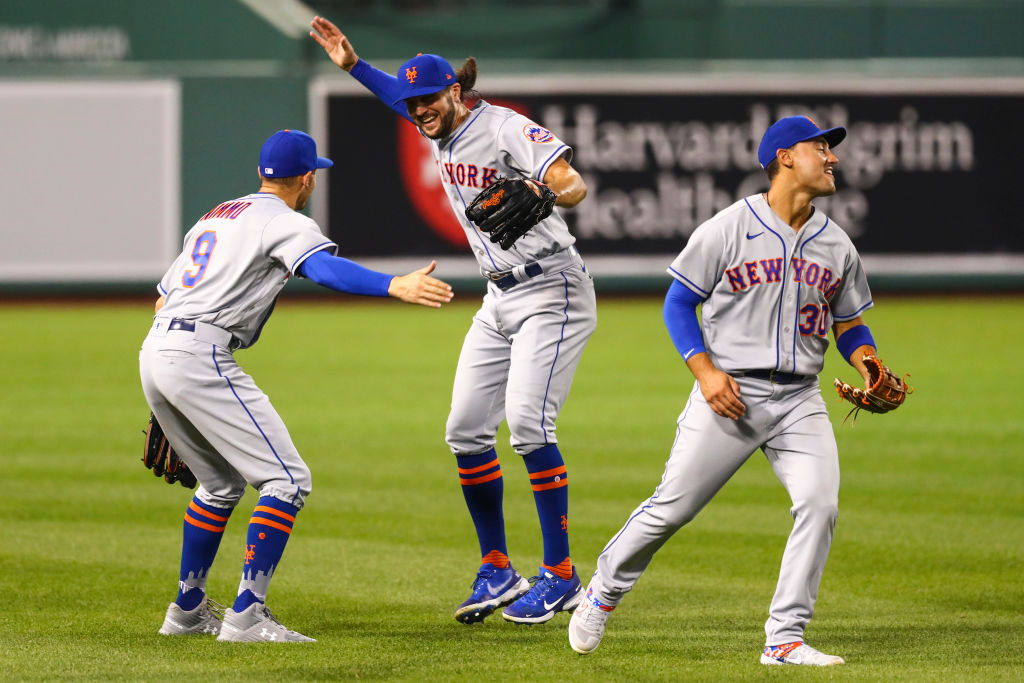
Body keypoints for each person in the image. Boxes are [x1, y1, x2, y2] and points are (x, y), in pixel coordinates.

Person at [310, 16, 597, 625]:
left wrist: (547, 191)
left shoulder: (503, 127)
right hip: (499, 299)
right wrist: (354, 66)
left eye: (429, 99)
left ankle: (563, 576)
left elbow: (574, 183)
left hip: (553, 288)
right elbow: (399, 94)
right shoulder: (431, 121)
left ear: (455, 94)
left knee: (526, 423)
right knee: (465, 429)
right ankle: (496, 566)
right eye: (413, 103)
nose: (419, 110)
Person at [569, 116, 883, 666]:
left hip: (799, 399)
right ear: (785, 157)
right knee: (671, 509)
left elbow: (849, 323)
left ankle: (784, 638)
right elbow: (677, 302)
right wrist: (705, 372)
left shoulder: (836, 245)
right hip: (730, 393)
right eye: (820, 148)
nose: (832, 158)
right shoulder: (728, 228)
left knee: (820, 503)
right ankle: (604, 590)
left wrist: (868, 362)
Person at [140, 128, 453, 642]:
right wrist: (394, 284)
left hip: (157, 349)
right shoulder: (286, 221)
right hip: (199, 356)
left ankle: (187, 612)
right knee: (287, 481)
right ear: (307, 178)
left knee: (220, 486)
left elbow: (163, 299)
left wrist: (172, 393)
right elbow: (323, 268)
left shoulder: (216, 214)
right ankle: (246, 615)